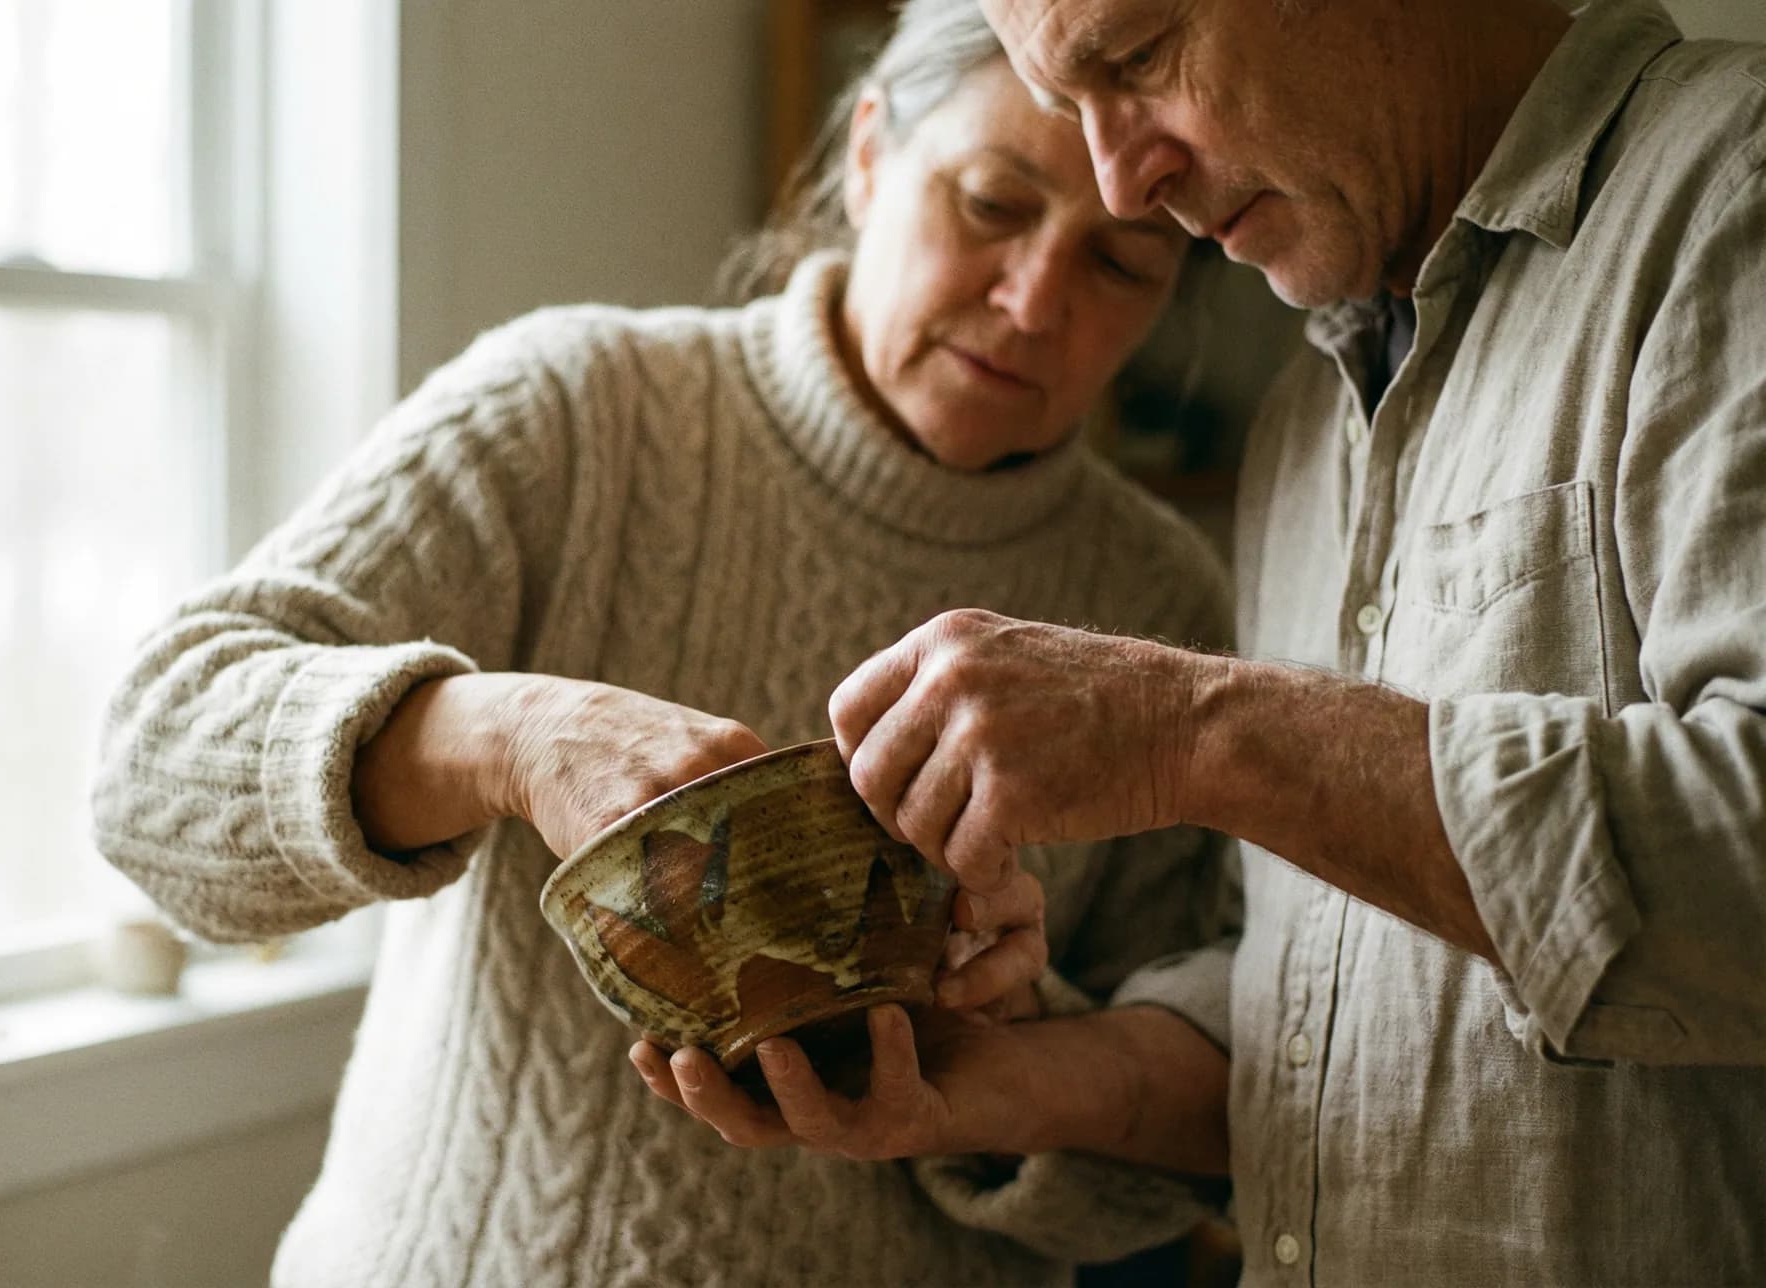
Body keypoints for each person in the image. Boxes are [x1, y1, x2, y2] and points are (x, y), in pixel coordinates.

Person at [92, 1, 1239, 1283]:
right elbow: (151, 771)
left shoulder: (1163, 608)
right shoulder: (578, 414)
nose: (1034, 303)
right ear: (868, 158)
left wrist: (1010, 1038)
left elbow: (1182, 1162)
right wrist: (513, 739)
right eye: (989, 203)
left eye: (1122, 265)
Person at [637, 0, 1766, 1283]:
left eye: (1139, 59)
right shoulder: (1299, 424)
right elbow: (1309, 1007)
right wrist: (1008, 1081)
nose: (1127, 179)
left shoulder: (1736, 195)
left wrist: (1197, 734)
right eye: (1070, 111)